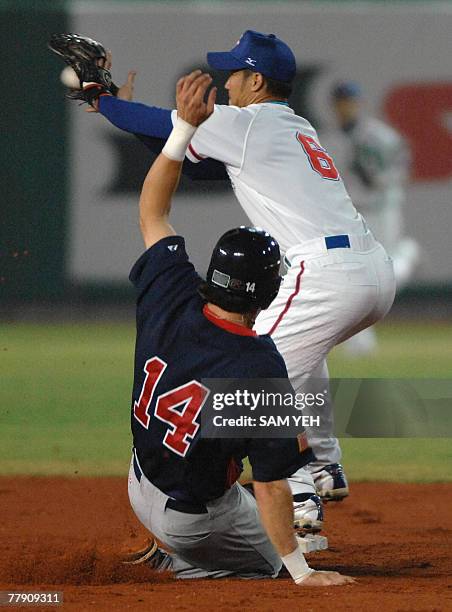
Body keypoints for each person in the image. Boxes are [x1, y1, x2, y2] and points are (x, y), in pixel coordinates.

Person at [71, 30, 396, 527]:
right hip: (370, 270)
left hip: (329, 273)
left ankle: (301, 492)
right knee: (295, 358)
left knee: (255, 374)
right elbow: (198, 167)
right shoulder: (290, 127)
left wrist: (105, 97)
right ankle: (325, 463)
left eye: (235, 74)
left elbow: (169, 124)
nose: (226, 84)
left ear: (258, 80)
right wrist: (127, 113)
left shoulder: (249, 123)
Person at [123, 68, 353, 586]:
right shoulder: (257, 363)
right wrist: (298, 570)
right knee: (273, 559)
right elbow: (272, 484)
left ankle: (183, 545)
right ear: (271, 291)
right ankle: (190, 566)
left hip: (140, 480)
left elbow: (152, 211)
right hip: (191, 521)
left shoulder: (170, 290)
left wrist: (183, 129)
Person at [325, 81, 420, 356]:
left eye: (349, 100)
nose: (345, 106)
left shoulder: (380, 136)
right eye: (340, 101)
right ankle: (360, 343)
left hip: (381, 209)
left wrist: (378, 179)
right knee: (356, 278)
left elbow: (401, 170)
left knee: (382, 277)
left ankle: (408, 256)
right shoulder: (329, 137)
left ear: (358, 103)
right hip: (352, 213)